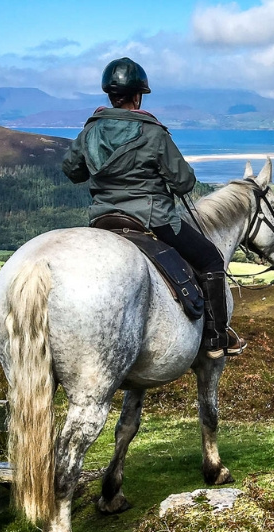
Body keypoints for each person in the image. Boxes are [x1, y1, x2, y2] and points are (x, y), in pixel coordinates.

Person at [62, 57, 245, 358]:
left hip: (103, 219)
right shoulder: (153, 131)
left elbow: (73, 171)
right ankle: (216, 338)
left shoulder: (90, 130)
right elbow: (184, 182)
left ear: (109, 94)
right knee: (210, 258)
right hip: (152, 219)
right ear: (138, 95)